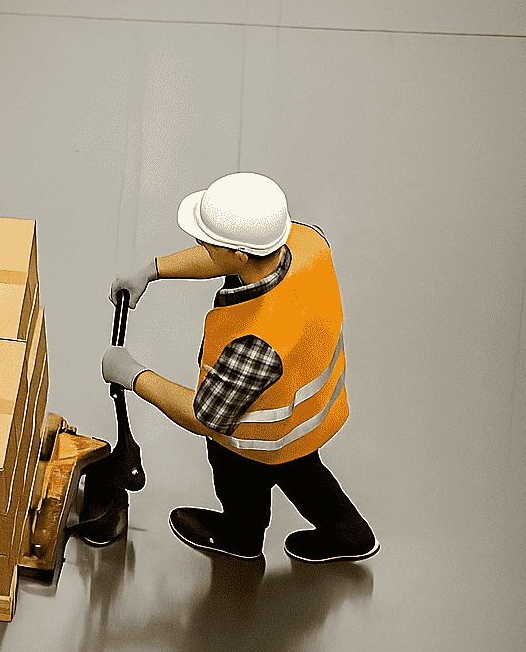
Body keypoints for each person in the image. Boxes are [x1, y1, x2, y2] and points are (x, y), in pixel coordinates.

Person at [101, 172, 378, 564]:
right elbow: (222, 257)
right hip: (300, 415)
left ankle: (240, 538)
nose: (200, 244)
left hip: (256, 433)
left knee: (238, 475)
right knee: (302, 470)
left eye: (207, 242)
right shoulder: (302, 239)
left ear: (241, 256)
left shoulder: (257, 342)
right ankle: (349, 534)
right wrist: (151, 270)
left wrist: (130, 373)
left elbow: (206, 416)